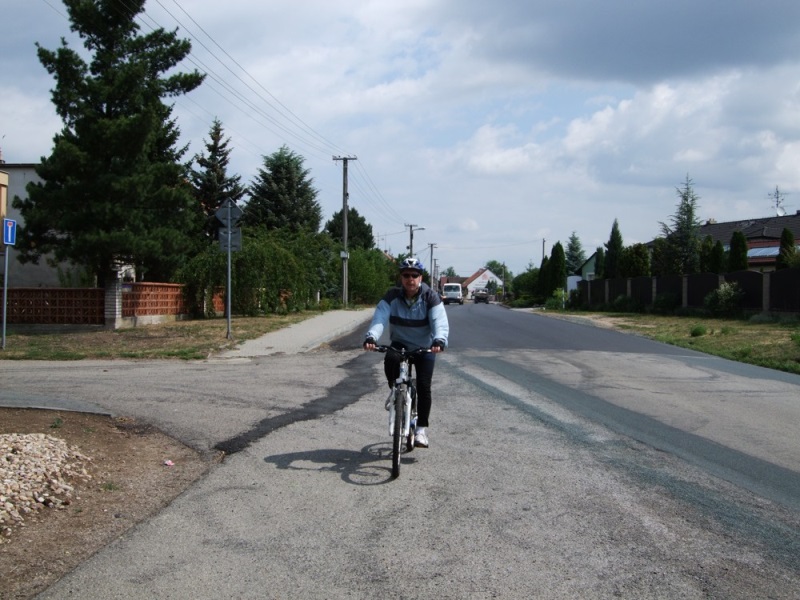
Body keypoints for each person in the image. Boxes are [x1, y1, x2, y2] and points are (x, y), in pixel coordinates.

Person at [363, 257, 449, 448]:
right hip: (400, 344)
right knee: (390, 361)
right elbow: (380, 318)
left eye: (414, 275)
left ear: (421, 277)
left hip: (424, 346)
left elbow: (439, 322)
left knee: (425, 387)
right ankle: (397, 392)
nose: (410, 279)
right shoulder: (392, 296)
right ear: (401, 277)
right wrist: (371, 337)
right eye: (406, 275)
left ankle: (420, 431)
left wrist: (439, 340)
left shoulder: (430, 297)